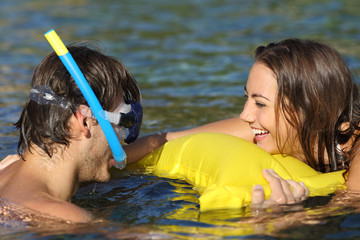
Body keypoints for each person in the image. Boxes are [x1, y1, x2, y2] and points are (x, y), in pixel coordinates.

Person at [124, 38, 360, 204]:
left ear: (313, 112)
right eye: (247, 98)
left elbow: (347, 208)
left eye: (260, 103)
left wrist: (278, 217)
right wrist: (110, 160)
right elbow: (165, 139)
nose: (245, 116)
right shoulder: (260, 127)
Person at [0, 43, 142, 223]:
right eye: (121, 124)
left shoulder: (9, 168)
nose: (121, 140)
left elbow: (143, 147)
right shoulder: (64, 218)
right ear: (84, 121)